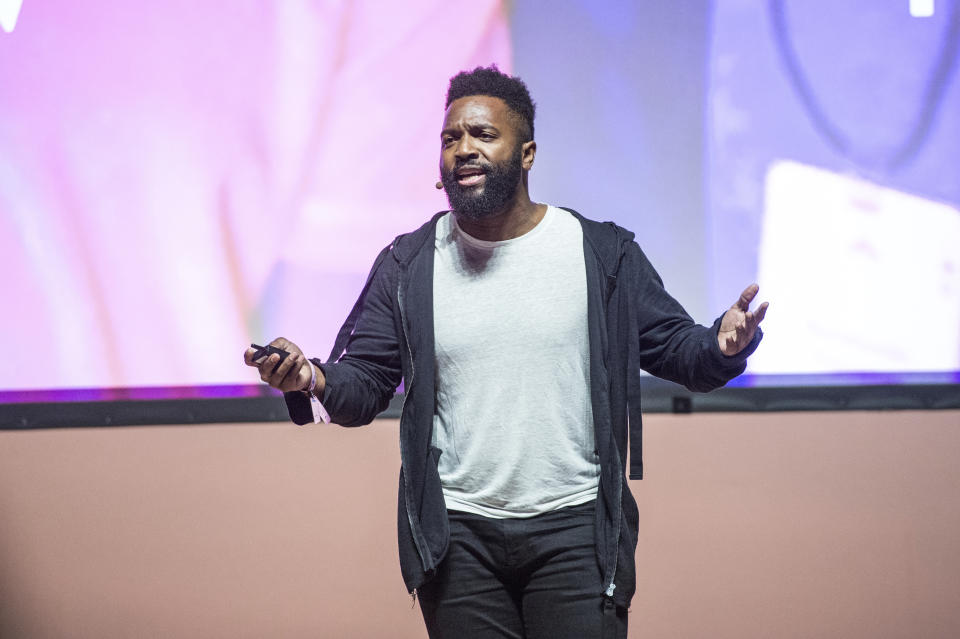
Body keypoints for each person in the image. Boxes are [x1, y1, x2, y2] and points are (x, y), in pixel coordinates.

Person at [244, 65, 767, 639]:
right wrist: (311, 378)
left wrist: (721, 343)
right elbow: (365, 383)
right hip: (458, 541)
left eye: (483, 136)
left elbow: (676, 349)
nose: (463, 149)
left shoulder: (600, 253)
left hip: (576, 532)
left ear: (527, 153)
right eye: (450, 138)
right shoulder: (410, 263)